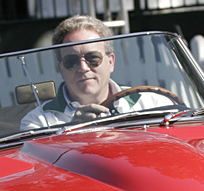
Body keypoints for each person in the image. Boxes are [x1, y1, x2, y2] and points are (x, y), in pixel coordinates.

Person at [19, 14, 173, 130]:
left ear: (111, 62)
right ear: (61, 69)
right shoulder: (38, 122)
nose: (83, 68)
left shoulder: (153, 104)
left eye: (93, 58)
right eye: (71, 61)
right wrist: (74, 132)